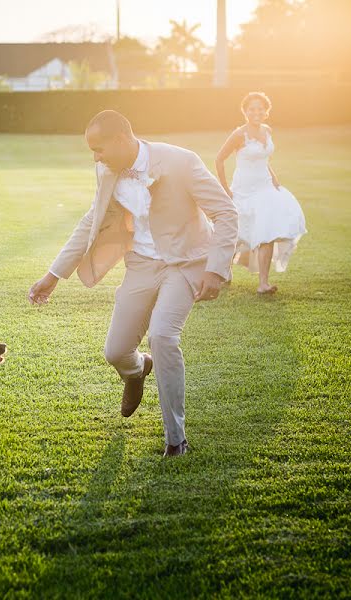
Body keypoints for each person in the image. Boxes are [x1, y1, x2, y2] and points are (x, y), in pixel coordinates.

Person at [27, 110, 238, 457]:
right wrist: (53, 276)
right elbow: (91, 221)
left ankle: (176, 438)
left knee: (163, 336)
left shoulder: (181, 162)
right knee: (115, 351)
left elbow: (225, 213)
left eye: (99, 148)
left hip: (184, 264)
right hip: (140, 265)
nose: (95, 157)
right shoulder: (105, 170)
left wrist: (215, 270)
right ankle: (138, 370)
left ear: (121, 139)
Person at [215, 92, 307, 294]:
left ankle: (263, 283)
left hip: (265, 188)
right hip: (244, 189)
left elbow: (264, 159)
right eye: (251, 109)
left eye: (260, 109)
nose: (256, 112)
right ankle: (223, 272)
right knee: (237, 234)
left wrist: (273, 177)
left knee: (268, 231)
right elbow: (219, 159)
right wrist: (226, 189)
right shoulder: (239, 134)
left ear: (266, 112)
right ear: (245, 112)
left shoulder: (267, 130)